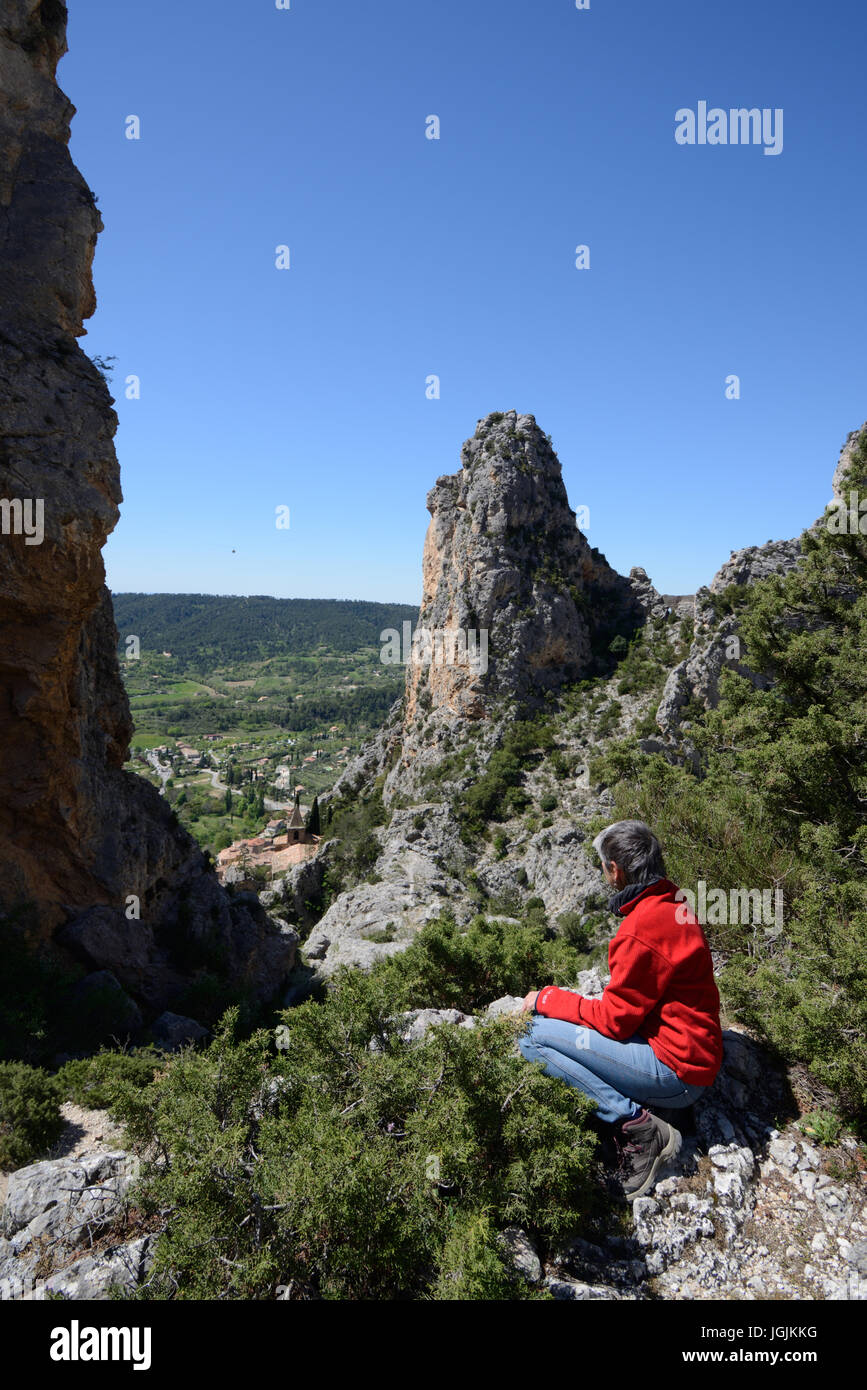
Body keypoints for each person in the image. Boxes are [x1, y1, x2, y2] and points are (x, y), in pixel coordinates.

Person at [517, 820, 723, 1201]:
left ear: (615, 870)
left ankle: (638, 1128)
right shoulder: (676, 902)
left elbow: (613, 1020)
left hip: (677, 1072)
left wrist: (547, 999)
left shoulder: (640, 928)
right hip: (696, 1057)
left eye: (603, 867)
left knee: (530, 1039)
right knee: (552, 1030)